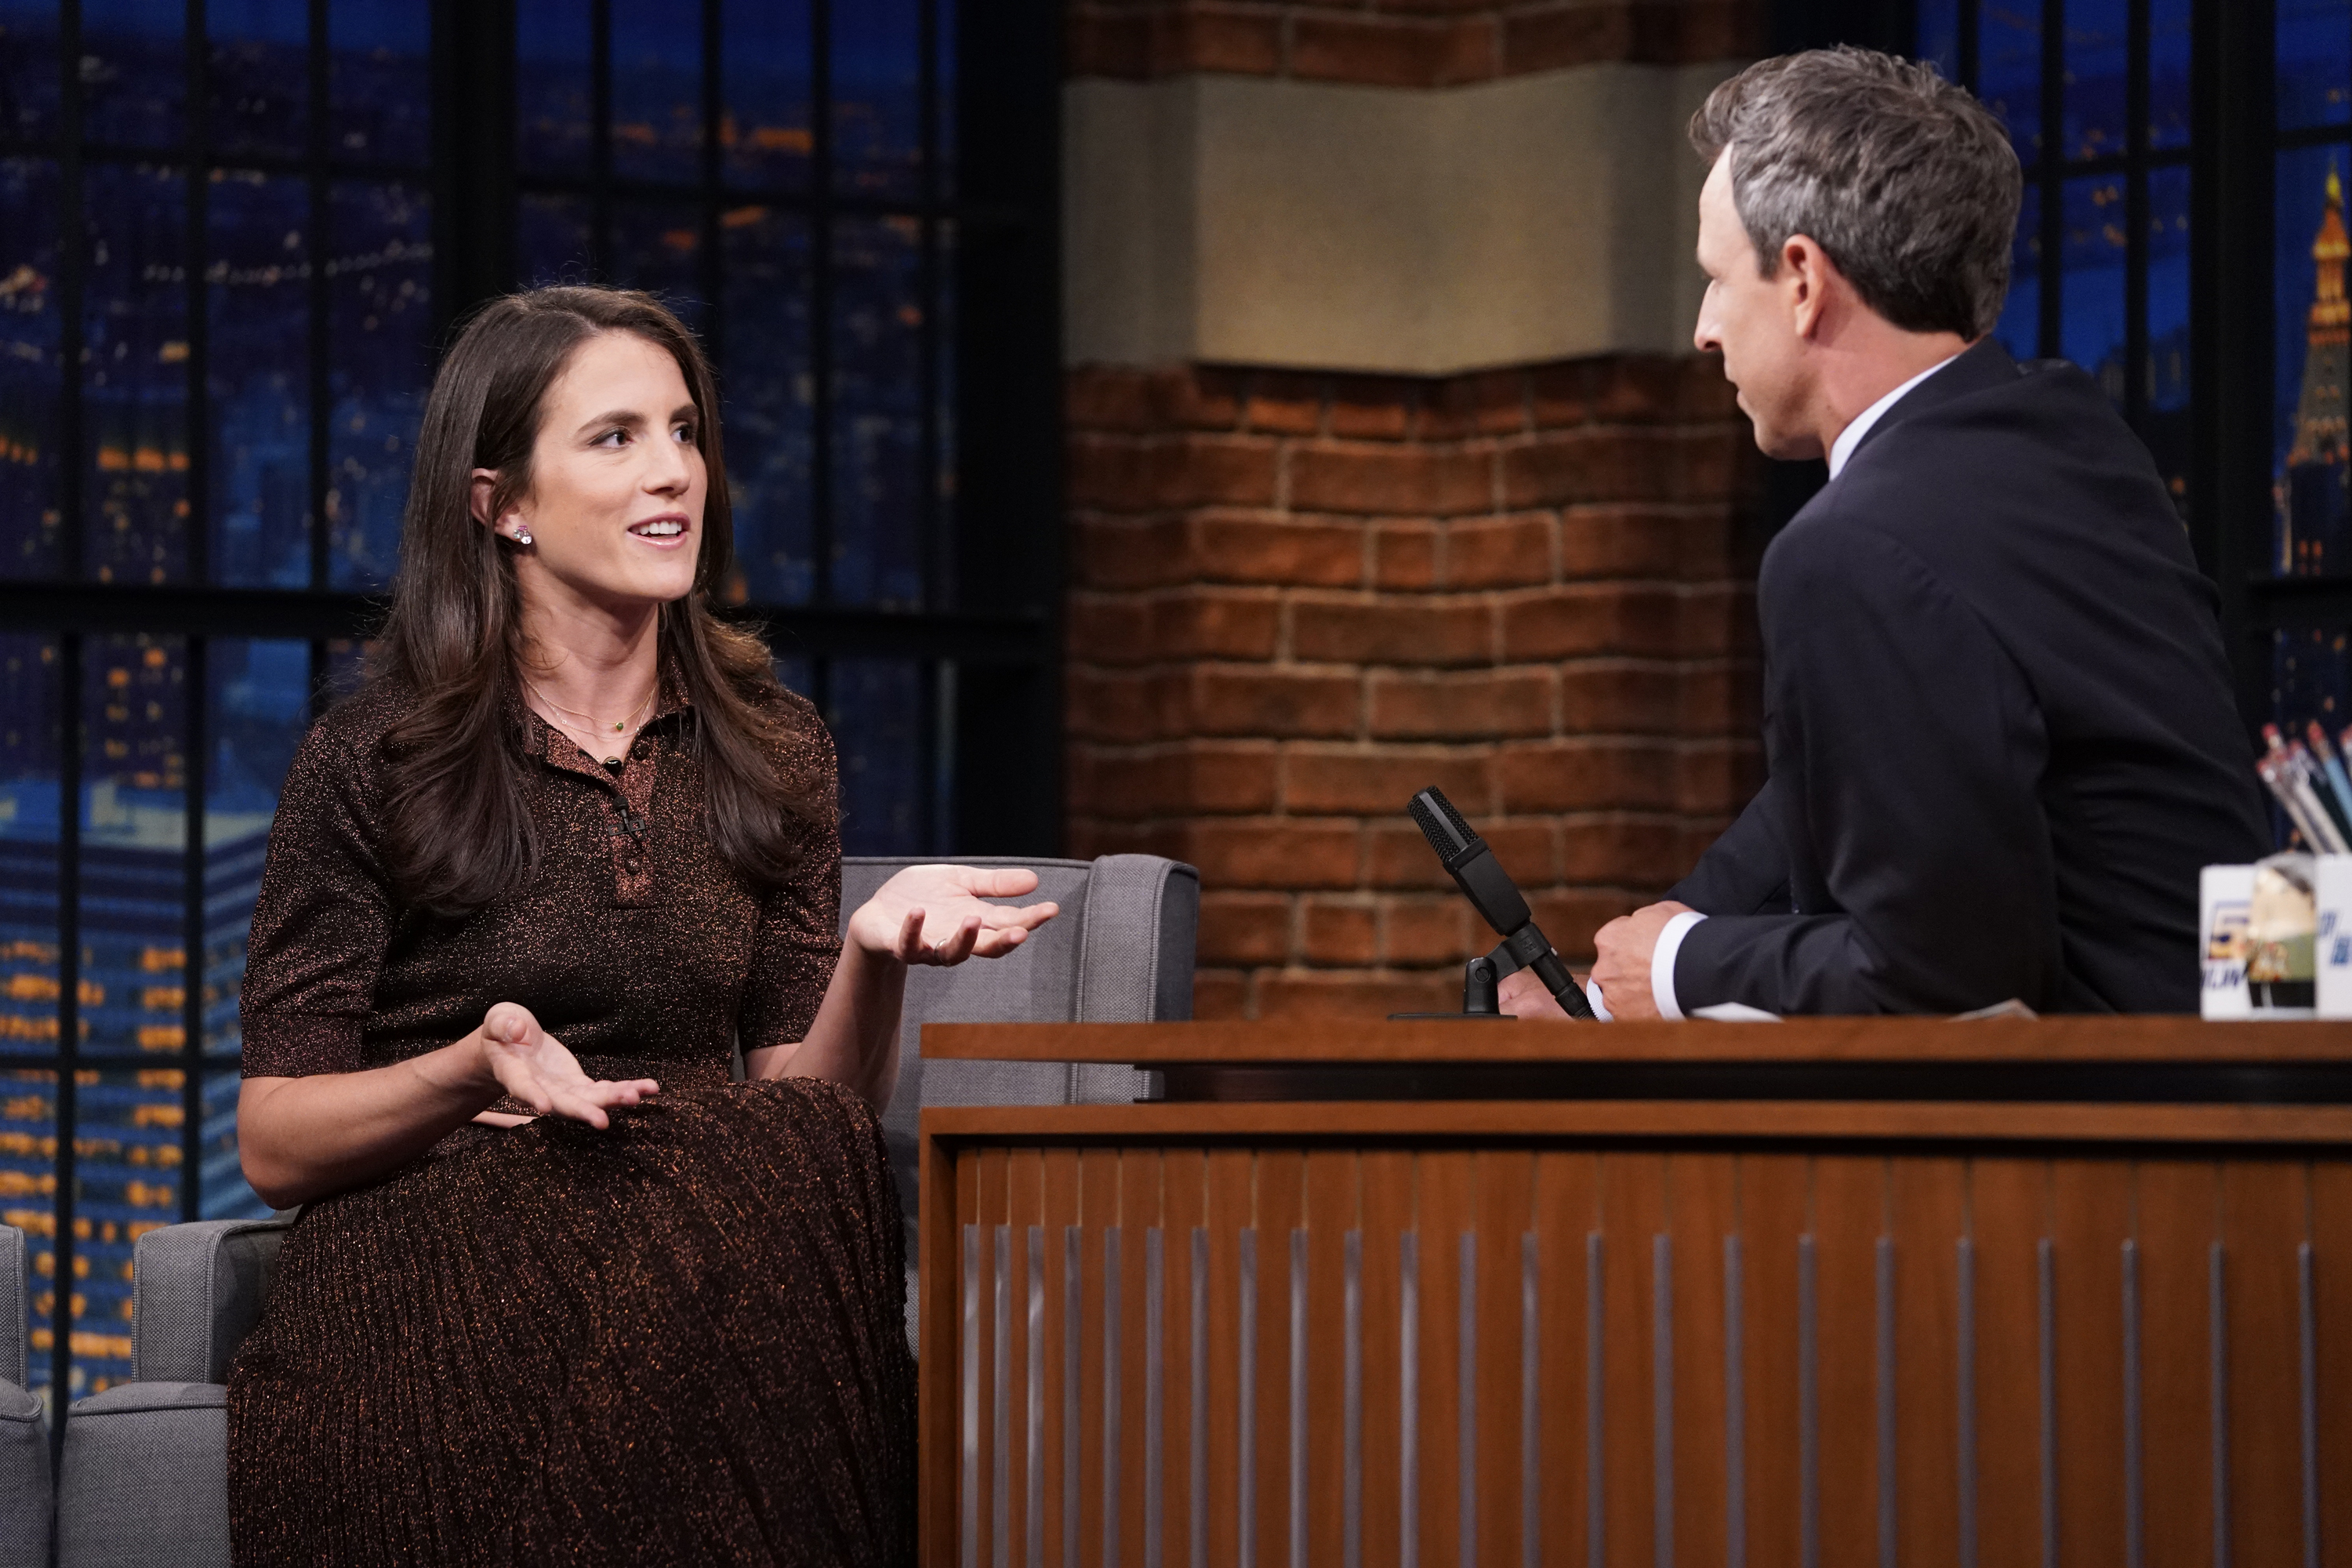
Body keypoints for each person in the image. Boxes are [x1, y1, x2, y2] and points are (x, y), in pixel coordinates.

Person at [228, 285, 1046, 1565]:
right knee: (758, 1198)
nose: (672, 473)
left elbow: (802, 1104)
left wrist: (873, 958)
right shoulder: (375, 758)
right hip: (435, 1252)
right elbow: (276, 1144)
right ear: (499, 505)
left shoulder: (775, 751)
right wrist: (471, 1065)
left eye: (684, 432)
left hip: (695, 1231)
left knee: (805, 1157)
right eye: (614, 439)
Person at [1504, 48, 2267, 1021]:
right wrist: (1629, 971)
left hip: (2097, 1144)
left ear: (1803, 281)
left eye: (1714, 281)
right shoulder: (2065, 440)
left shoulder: (1857, 544)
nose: (1703, 329)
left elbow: (1947, 979)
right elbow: (1869, 772)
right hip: (2250, 1094)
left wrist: (1678, 968)